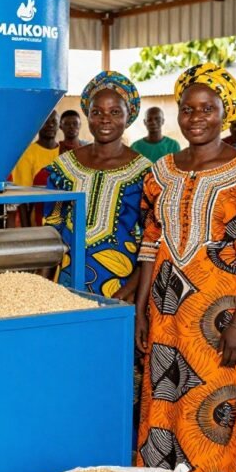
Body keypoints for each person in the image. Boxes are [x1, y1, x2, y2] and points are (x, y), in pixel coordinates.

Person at [134, 63, 236, 472]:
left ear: (225, 112)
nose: (196, 117)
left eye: (208, 108)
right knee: (160, 406)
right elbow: (150, 243)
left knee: (212, 416)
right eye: (188, 108)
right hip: (165, 313)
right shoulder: (160, 172)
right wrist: (140, 310)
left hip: (218, 318)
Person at [44, 71, 151, 444]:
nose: (106, 119)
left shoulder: (146, 173)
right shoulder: (63, 168)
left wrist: (135, 294)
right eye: (98, 111)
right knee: (66, 369)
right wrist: (42, 287)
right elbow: (50, 229)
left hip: (118, 292)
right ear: (87, 113)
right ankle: (67, 443)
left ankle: (112, 449)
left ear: (128, 116)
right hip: (64, 290)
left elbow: (151, 243)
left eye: (115, 112)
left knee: (114, 374)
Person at [11, 110, 61, 225]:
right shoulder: (27, 153)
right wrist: (27, 229)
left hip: (64, 218)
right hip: (39, 219)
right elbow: (22, 197)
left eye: (54, 121)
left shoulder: (65, 152)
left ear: (59, 125)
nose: (51, 125)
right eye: (46, 121)